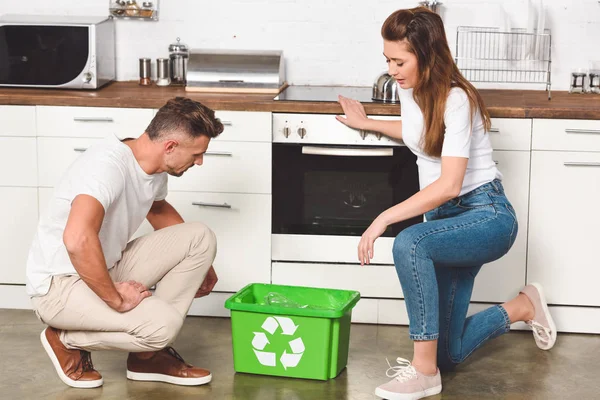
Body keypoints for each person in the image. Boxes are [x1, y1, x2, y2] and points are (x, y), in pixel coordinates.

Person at [336, 7, 557, 400]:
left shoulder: (458, 99)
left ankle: (423, 374)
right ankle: (523, 306)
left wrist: (382, 219)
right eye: (387, 59)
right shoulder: (409, 88)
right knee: (449, 354)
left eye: (399, 61)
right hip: (444, 220)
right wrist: (367, 123)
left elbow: (450, 185)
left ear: (427, 53)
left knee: (410, 242)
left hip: (484, 215)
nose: (392, 69)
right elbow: (418, 131)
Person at [26, 97, 224, 389]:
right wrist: (116, 299)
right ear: (170, 146)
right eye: (196, 154)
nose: (199, 161)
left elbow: (157, 209)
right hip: (59, 286)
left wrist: (201, 263)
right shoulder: (105, 167)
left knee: (200, 237)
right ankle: (64, 338)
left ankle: (147, 358)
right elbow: (77, 239)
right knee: (163, 325)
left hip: (104, 266)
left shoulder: (152, 164)